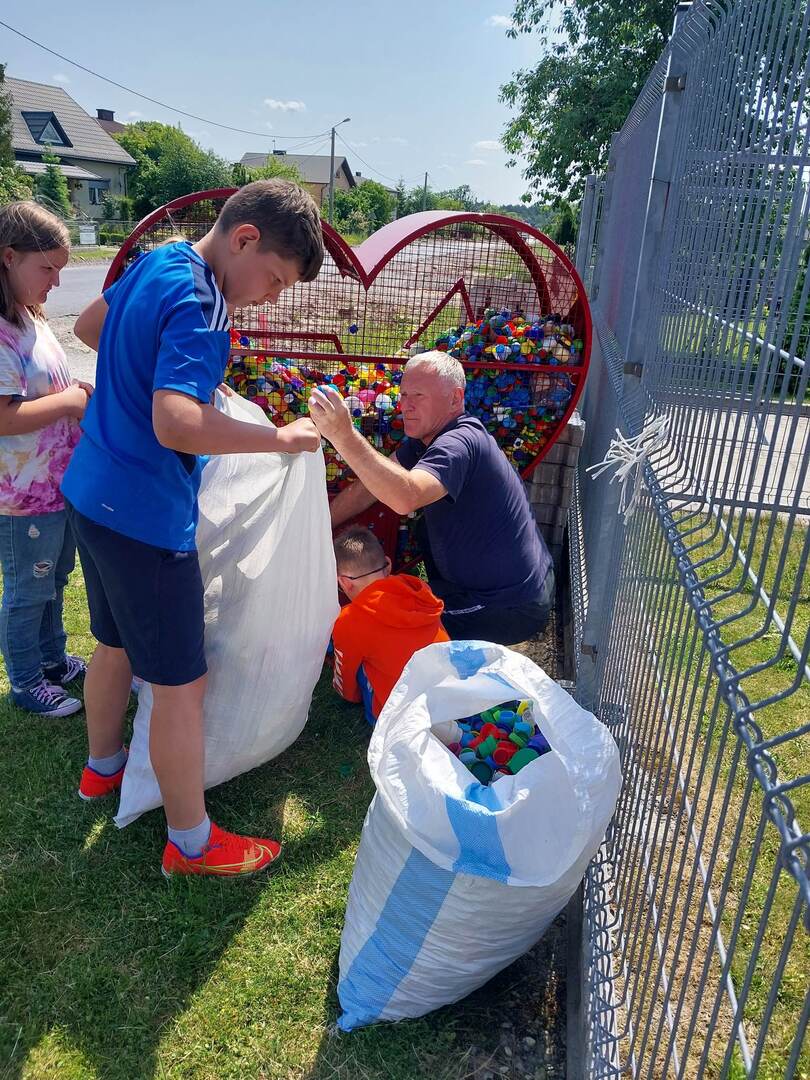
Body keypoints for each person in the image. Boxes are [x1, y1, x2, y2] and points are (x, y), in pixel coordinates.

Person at [61, 180, 324, 878]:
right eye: (274, 279)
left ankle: (101, 767)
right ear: (244, 239)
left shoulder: (157, 260)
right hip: (146, 519)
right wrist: (281, 439)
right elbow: (174, 420)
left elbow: (92, 329)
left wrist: (162, 385)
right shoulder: (205, 303)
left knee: (112, 643)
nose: (269, 298)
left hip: (92, 493)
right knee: (182, 686)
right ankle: (191, 843)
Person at [310, 351, 554, 645]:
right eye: (403, 396)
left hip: (510, 604)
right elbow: (369, 488)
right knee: (404, 584)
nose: (406, 406)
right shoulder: (425, 440)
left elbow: (405, 497)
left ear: (455, 398)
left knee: (390, 628)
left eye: (419, 396)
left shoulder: (458, 443)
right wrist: (321, 523)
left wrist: (343, 436)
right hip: (488, 584)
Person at [0, 202, 93, 718]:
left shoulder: (31, 318)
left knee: (54, 578)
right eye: (47, 268)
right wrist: (72, 402)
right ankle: (27, 680)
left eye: (61, 269)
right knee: (28, 588)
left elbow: (43, 388)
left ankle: (54, 661)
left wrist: (74, 389)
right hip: (22, 497)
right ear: (9, 258)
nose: (56, 281)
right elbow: (5, 417)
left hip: (56, 487)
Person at [331, 526, 448, 723]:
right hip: (449, 698)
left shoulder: (350, 619)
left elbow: (346, 683)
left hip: (402, 720)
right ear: (388, 564)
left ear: (344, 582)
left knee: (356, 657)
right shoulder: (417, 589)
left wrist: (349, 696)